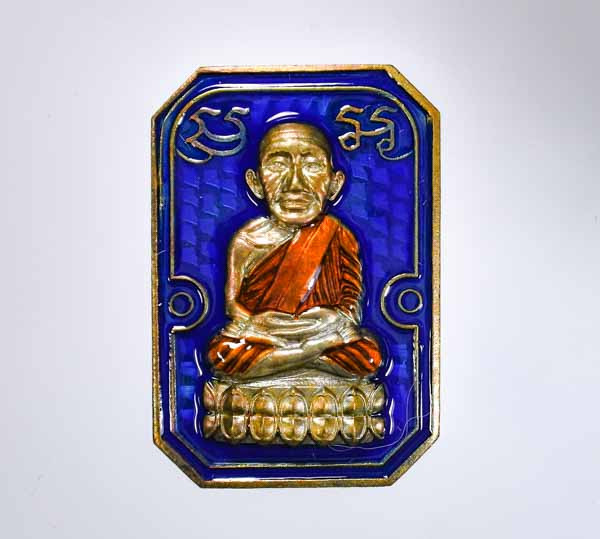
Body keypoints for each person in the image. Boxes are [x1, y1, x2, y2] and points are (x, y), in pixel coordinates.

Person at [207, 122, 383, 380]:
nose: (295, 183)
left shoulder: (337, 234)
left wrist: (328, 319)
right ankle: (310, 354)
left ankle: (290, 358)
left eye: (312, 166)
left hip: (320, 330)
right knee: (222, 354)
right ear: (255, 183)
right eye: (278, 165)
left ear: (334, 184)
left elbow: (351, 303)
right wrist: (262, 325)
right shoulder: (247, 239)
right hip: (266, 334)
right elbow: (233, 305)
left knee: (367, 356)